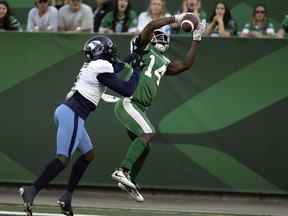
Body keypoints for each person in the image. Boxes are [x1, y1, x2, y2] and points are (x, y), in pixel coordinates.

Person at [19, 36, 144, 216]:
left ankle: (66, 196)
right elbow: (126, 89)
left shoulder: (95, 65)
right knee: (62, 158)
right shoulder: (101, 66)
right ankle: (31, 190)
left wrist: (130, 59)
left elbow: (113, 71)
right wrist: (137, 71)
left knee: (88, 155)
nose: (112, 50)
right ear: (103, 51)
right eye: (109, 48)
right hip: (74, 114)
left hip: (68, 111)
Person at [111, 14, 206, 202]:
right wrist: (175, 18)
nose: (161, 37)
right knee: (148, 132)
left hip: (140, 108)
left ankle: (129, 179)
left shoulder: (163, 61)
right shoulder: (143, 50)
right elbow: (151, 26)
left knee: (144, 147)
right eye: (157, 36)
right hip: (129, 102)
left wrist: (196, 39)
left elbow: (184, 65)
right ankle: (122, 170)